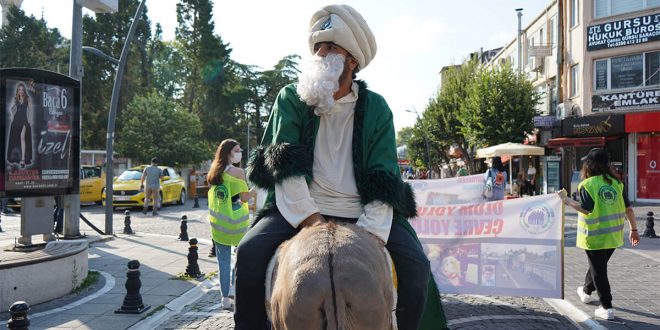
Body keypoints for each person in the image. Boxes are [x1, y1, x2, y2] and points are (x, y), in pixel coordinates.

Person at [235, 4, 446, 329]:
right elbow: (284, 168)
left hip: (363, 213)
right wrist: (310, 218)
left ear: (352, 59)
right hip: (297, 211)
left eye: (330, 47)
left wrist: (370, 233)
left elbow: (384, 178)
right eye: (317, 46)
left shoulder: (376, 109)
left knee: (416, 267)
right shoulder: (291, 98)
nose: (320, 53)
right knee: (249, 254)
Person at [559, 148, 639, 320]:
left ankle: (607, 307)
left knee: (599, 271)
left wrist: (566, 201)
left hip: (594, 236)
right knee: (598, 266)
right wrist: (634, 230)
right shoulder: (617, 183)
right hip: (613, 236)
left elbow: (586, 209)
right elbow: (629, 209)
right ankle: (586, 292)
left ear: (589, 165)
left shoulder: (587, 185)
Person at [207, 139, 250, 310]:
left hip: (218, 224)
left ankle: (225, 299)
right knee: (239, 258)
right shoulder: (238, 172)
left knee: (222, 262)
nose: (240, 153)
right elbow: (245, 198)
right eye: (237, 150)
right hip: (237, 223)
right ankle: (233, 289)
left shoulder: (213, 172)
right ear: (228, 153)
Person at [7, 83, 33, 169]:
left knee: (22, 137)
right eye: (19, 89)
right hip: (16, 120)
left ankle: (22, 160)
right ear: (17, 91)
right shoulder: (15, 99)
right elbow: (10, 108)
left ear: (24, 90)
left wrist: (30, 120)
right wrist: (12, 116)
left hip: (24, 120)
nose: (21, 91)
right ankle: (16, 157)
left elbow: (30, 110)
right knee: (16, 138)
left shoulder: (28, 99)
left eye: (22, 89)